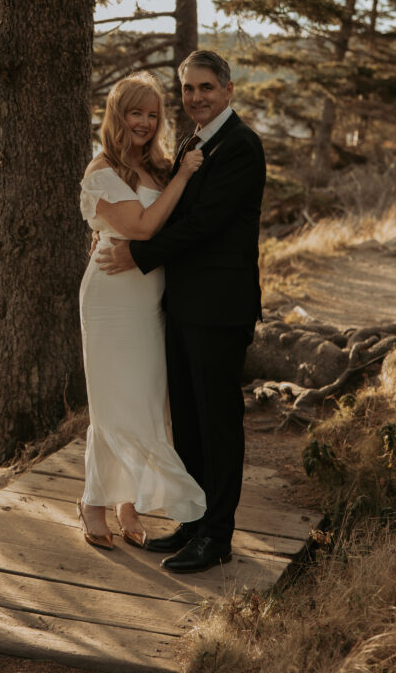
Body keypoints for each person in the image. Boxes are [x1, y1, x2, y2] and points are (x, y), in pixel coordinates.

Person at [97, 50, 266, 573]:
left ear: (228, 91)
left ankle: (217, 536)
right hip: (182, 305)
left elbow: (204, 225)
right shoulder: (194, 143)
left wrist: (137, 253)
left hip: (220, 308)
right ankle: (193, 522)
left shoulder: (240, 146)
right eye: (189, 88)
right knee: (189, 424)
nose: (197, 96)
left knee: (217, 424)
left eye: (207, 87)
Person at [78, 72, 207, 550]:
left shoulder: (157, 168)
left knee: (147, 401)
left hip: (150, 300)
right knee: (115, 402)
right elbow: (145, 228)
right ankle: (94, 503)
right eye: (136, 113)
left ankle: (126, 502)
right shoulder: (102, 171)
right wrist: (185, 175)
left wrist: (176, 174)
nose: (146, 123)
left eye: (153, 115)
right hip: (112, 299)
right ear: (118, 114)